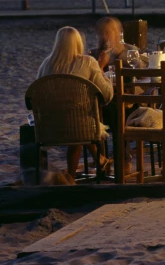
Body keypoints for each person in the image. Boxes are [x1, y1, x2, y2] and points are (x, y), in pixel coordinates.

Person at [36, 26, 113, 180]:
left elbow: (36, 95)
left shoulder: (46, 64)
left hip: (49, 127)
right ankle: (99, 161)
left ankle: (75, 174)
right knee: (80, 119)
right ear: (78, 43)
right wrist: (102, 67)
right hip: (80, 127)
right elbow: (107, 94)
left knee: (74, 116)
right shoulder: (88, 62)